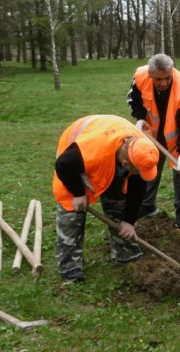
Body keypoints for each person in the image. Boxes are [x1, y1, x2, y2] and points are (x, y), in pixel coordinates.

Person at [52, 115, 160, 282]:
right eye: (137, 171)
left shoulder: (142, 150)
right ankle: (70, 267)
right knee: (71, 215)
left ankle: (125, 253)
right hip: (74, 165)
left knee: (120, 206)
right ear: (126, 164)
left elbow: (138, 187)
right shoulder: (89, 155)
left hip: (109, 161)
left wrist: (129, 221)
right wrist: (78, 193)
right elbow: (63, 165)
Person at [126, 53, 180, 229]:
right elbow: (133, 97)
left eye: (167, 78)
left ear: (172, 71)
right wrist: (141, 117)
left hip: (177, 136)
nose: (164, 83)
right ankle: (147, 205)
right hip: (153, 131)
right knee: (150, 164)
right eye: (159, 79)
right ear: (151, 74)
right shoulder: (140, 76)